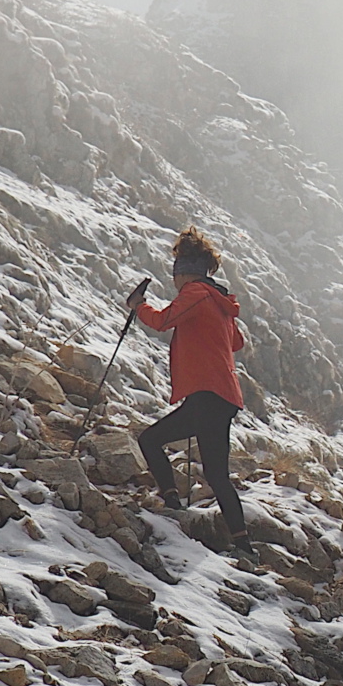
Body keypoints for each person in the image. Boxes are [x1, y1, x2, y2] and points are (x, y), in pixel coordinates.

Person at [128, 228, 258, 563]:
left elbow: (164, 320)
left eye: (176, 273)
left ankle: (172, 507)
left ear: (184, 272)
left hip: (206, 393)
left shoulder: (196, 293)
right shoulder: (219, 303)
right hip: (224, 396)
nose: (174, 280)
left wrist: (139, 305)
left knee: (151, 441)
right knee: (216, 473)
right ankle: (243, 545)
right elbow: (236, 343)